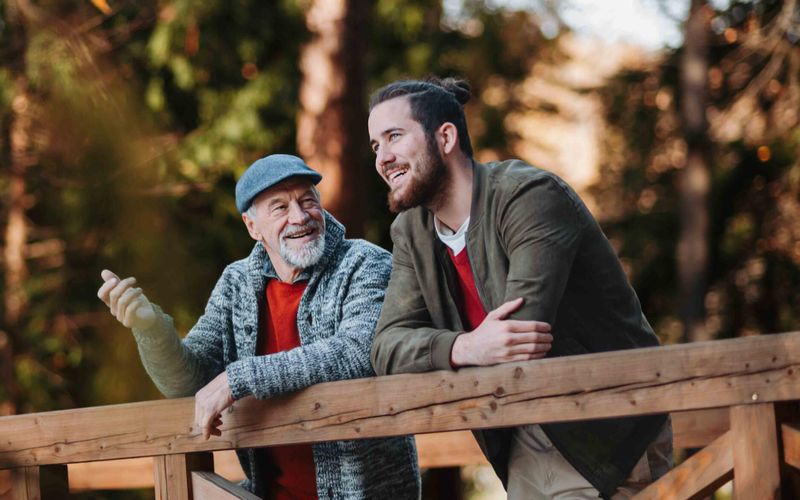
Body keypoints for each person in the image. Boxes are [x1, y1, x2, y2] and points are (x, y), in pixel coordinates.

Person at [367, 77, 672, 499]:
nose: (383, 157)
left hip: (608, 424)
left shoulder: (528, 196)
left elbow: (520, 335)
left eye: (394, 137)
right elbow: (385, 347)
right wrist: (465, 347)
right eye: (375, 146)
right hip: (524, 432)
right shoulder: (412, 232)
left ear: (446, 137)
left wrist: (450, 348)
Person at [97, 154, 420, 499]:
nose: (300, 217)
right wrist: (151, 329)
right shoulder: (236, 283)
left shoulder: (365, 262)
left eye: (307, 200)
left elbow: (359, 352)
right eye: (280, 208)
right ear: (253, 227)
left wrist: (239, 378)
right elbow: (191, 381)